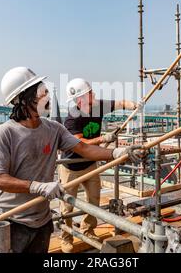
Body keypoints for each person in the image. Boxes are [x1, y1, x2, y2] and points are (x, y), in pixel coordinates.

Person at [0, 67, 145, 253]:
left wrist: (118, 153)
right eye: (42, 94)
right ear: (23, 99)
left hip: (41, 223)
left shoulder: (54, 129)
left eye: (46, 92)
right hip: (10, 222)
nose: (48, 99)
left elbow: (84, 148)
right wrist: (36, 186)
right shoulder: (6, 133)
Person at [58, 78, 137, 253]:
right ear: (81, 100)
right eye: (89, 92)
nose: (93, 93)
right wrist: (103, 139)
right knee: (67, 205)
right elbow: (81, 145)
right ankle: (66, 236)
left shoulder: (98, 105)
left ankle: (88, 230)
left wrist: (132, 105)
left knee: (93, 200)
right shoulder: (72, 119)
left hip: (90, 164)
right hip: (70, 166)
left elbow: (120, 103)